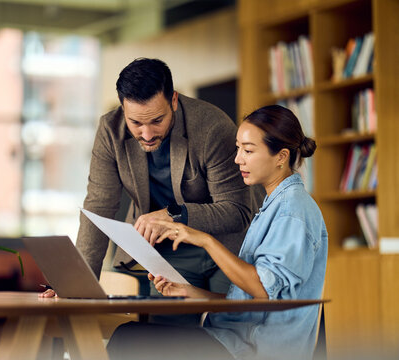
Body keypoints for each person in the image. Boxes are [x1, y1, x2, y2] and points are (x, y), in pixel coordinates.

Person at [40, 58, 262, 325]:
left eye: (157, 120)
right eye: (136, 122)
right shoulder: (110, 131)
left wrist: (173, 215)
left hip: (224, 247)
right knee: (167, 339)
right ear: (123, 110)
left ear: (174, 101)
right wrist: (75, 287)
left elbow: (236, 212)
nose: (146, 134)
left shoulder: (213, 128)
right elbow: (98, 207)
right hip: (165, 252)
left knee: (226, 334)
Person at [107, 104, 328, 360]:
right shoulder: (275, 205)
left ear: (281, 156)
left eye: (248, 150)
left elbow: (265, 291)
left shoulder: (292, 211)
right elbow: (253, 301)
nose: (238, 159)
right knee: (131, 335)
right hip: (235, 339)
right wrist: (193, 293)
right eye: (238, 149)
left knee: (129, 338)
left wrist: (205, 240)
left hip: (253, 349)